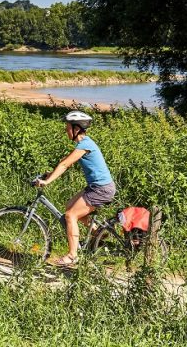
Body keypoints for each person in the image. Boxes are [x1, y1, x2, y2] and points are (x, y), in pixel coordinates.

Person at [36, 110, 115, 266]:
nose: (66, 130)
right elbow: (67, 162)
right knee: (69, 206)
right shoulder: (84, 144)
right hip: (96, 187)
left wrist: (47, 182)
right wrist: (50, 174)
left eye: (68, 127)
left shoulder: (85, 145)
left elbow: (65, 164)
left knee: (70, 215)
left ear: (76, 128)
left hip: (101, 189)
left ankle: (72, 256)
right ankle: (99, 233)